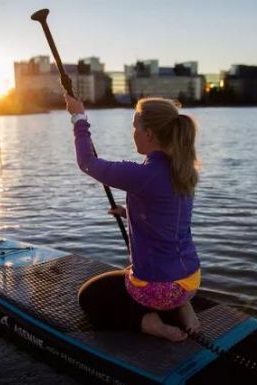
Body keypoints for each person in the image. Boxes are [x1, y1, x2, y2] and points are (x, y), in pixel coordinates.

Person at [65, 94, 201, 342]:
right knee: (136, 271)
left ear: (149, 134)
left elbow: (87, 162)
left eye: (135, 127)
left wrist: (79, 118)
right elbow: (168, 217)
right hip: (191, 280)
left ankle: (152, 324)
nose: (133, 133)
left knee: (88, 297)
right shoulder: (183, 171)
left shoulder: (143, 175)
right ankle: (185, 307)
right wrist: (129, 213)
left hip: (160, 290)